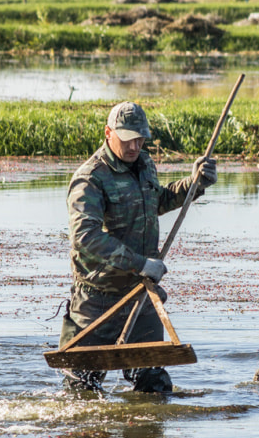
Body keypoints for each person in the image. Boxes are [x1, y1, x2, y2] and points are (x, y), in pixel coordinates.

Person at [61, 101, 217, 392]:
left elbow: (154, 201)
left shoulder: (145, 164)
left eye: (140, 139)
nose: (134, 146)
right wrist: (142, 263)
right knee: (81, 390)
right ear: (109, 133)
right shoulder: (90, 178)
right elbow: (86, 237)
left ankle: (146, 437)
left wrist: (194, 184)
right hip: (98, 301)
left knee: (154, 385)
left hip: (141, 295)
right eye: (127, 139)